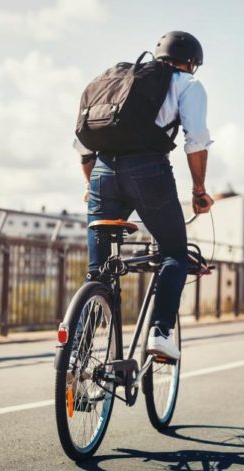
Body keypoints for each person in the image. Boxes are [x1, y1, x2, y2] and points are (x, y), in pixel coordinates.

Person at [73, 31, 214, 360]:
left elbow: (83, 148)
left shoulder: (117, 82)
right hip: (148, 173)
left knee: (99, 273)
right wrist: (199, 191)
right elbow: (196, 141)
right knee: (175, 254)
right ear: (191, 62)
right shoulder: (188, 85)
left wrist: (90, 185)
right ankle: (160, 333)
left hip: (103, 174)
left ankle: (76, 355)